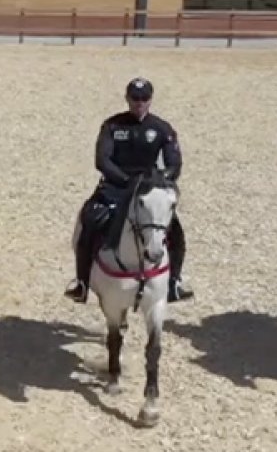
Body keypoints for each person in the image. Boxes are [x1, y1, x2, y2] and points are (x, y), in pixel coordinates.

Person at [65, 77, 192, 304]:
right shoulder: (113, 126)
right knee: (89, 220)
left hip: (147, 190)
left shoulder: (162, 128)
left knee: (176, 232)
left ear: (151, 100)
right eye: (135, 98)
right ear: (127, 99)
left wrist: (160, 179)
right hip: (116, 186)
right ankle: (82, 282)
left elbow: (175, 163)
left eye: (144, 99)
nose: (139, 103)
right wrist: (124, 180)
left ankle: (174, 282)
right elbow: (102, 160)